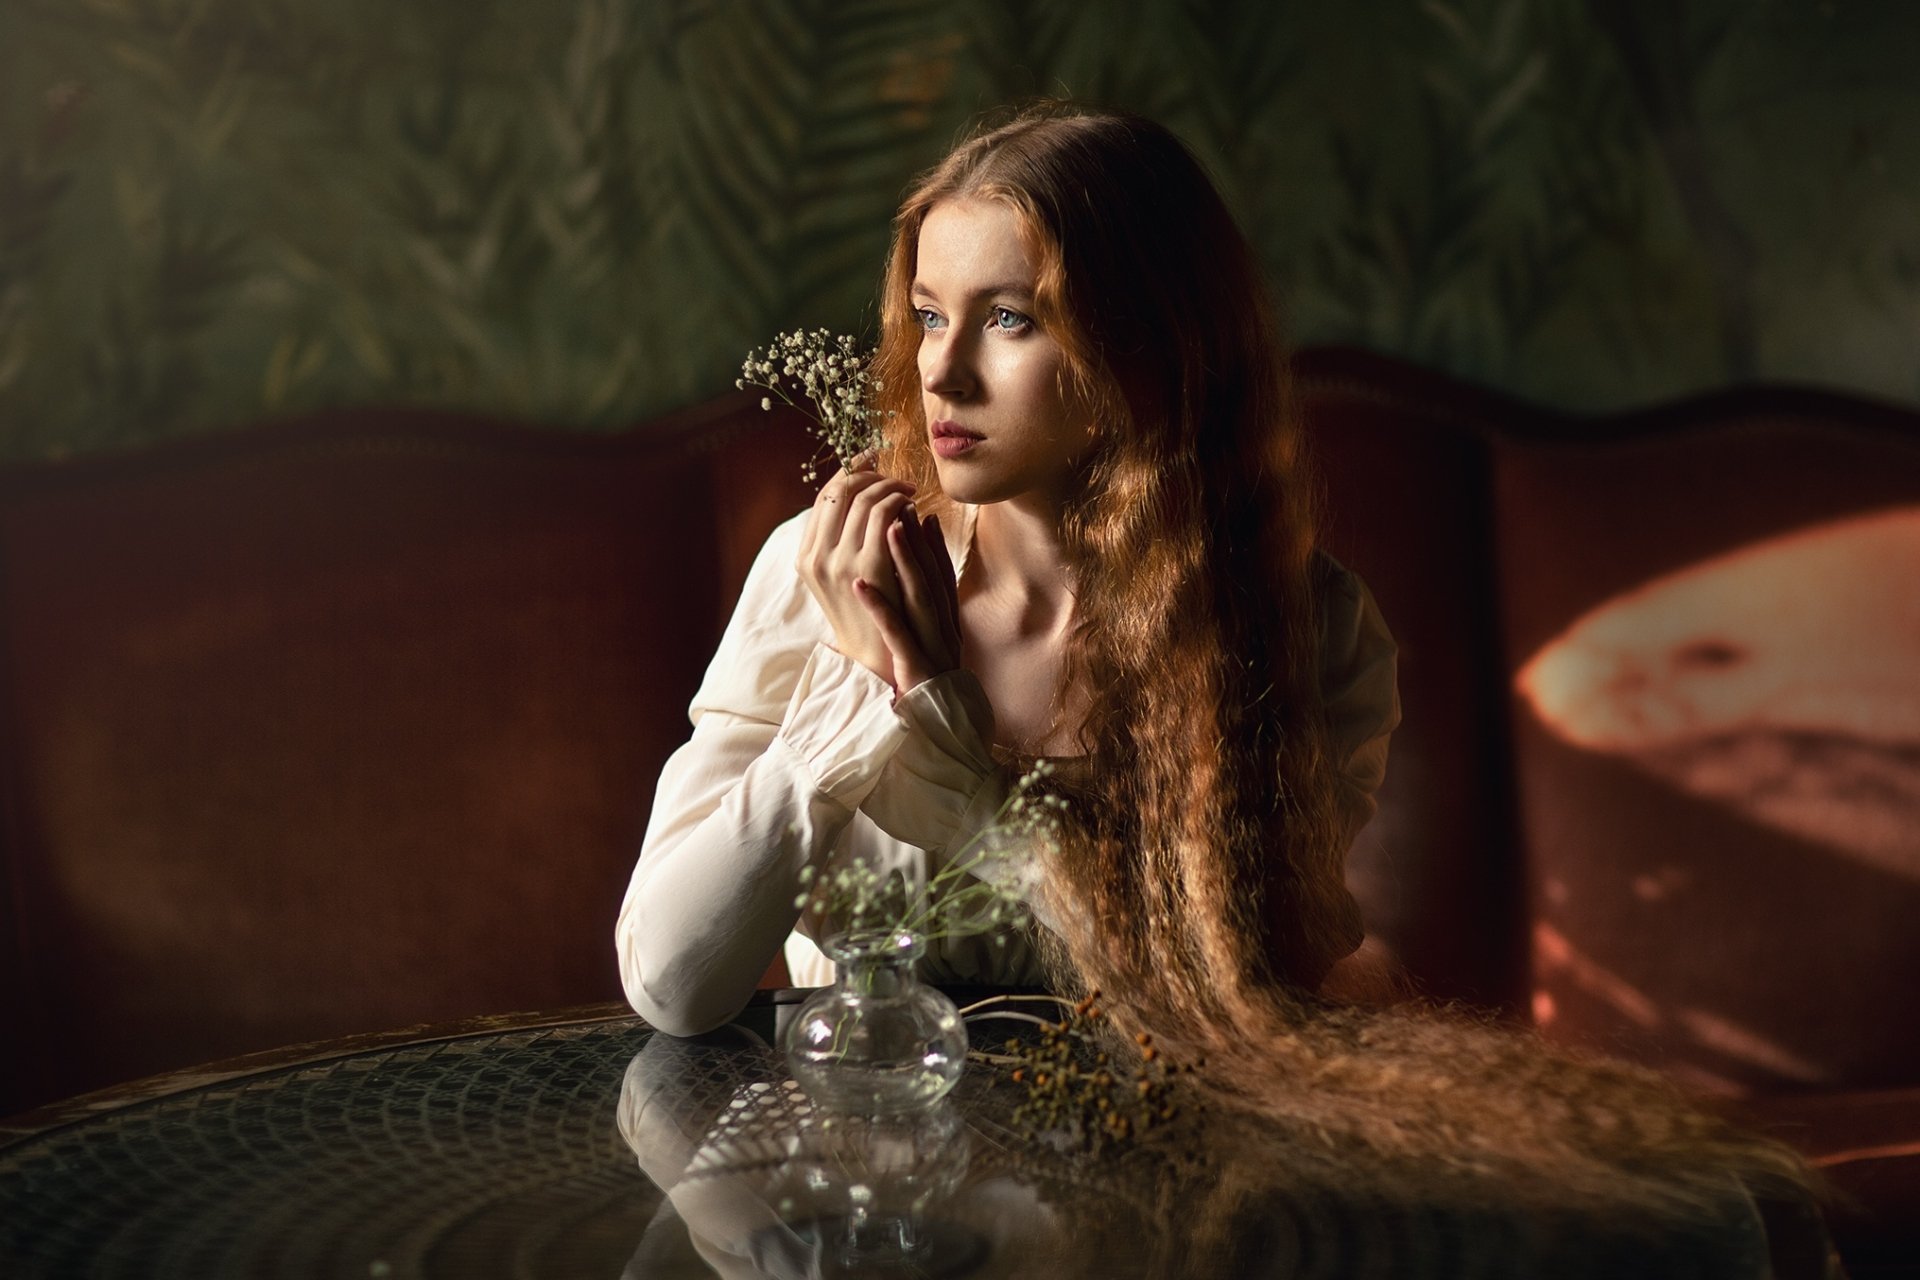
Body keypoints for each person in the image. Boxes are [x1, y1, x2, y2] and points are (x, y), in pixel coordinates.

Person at [615, 101, 1397, 1042]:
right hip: (856, 1162)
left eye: (1011, 320)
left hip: (1157, 1169)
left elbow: (1235, 1006)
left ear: (1146, 348)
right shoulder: (823, 574)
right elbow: (671, 983)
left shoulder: (1302, 624)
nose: (942, 371)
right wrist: (849, 710)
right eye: (930, 316)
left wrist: (982, 810)